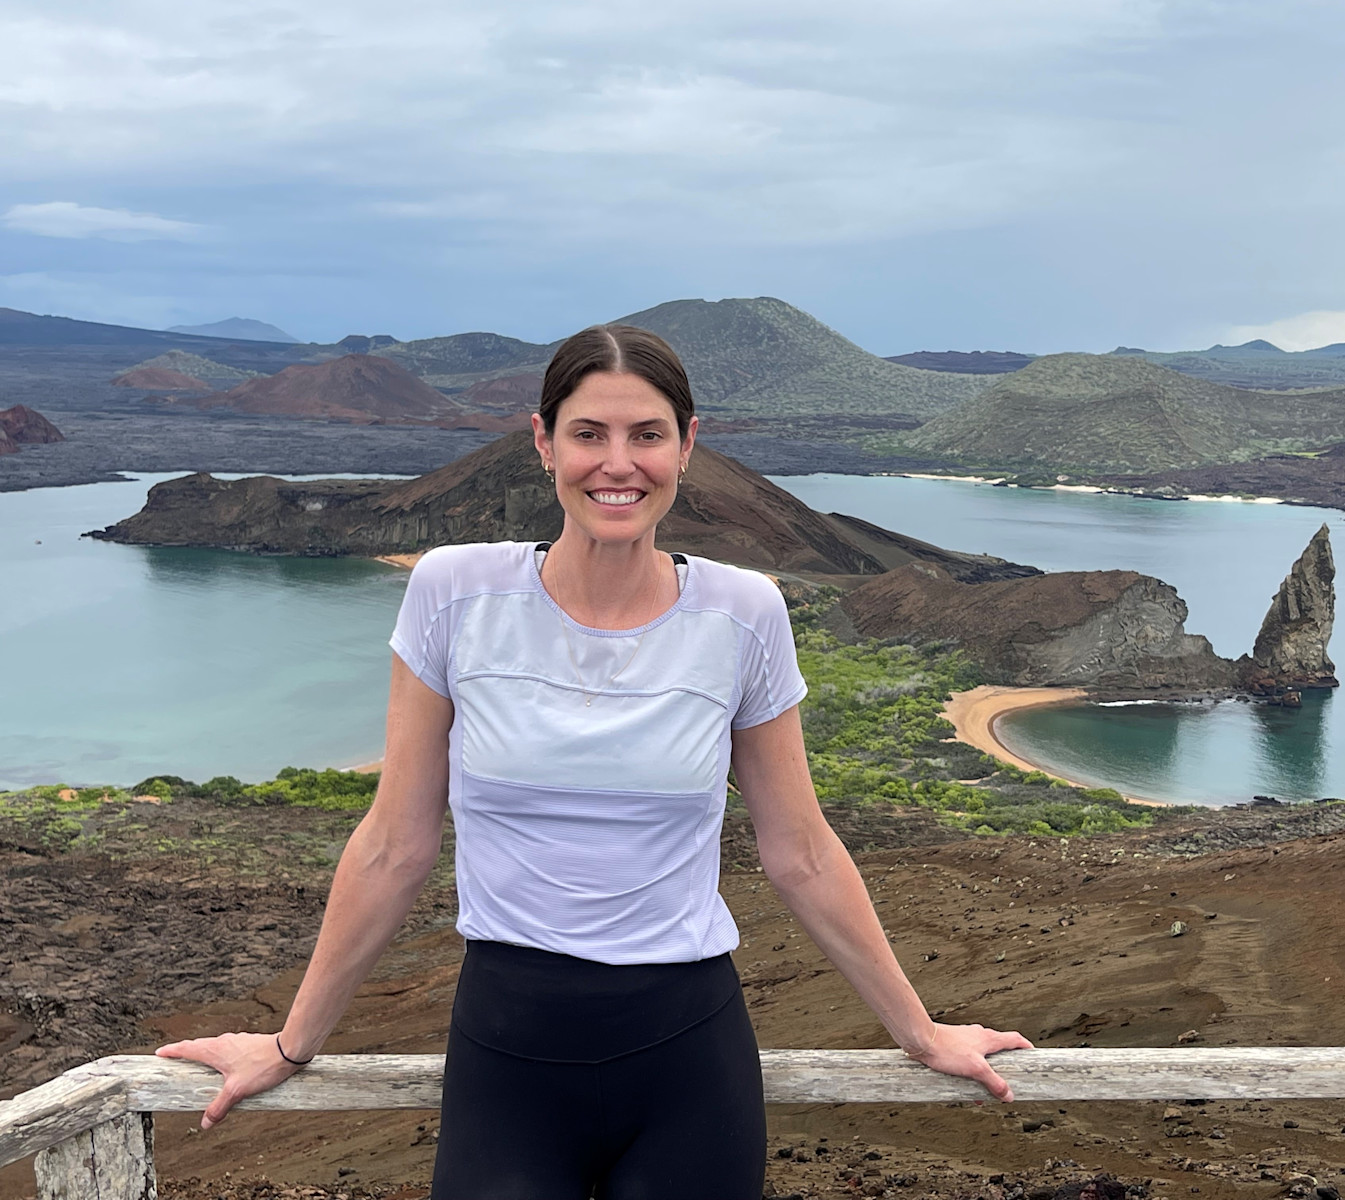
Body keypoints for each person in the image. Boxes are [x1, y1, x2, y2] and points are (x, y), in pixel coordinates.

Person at [157, 324, 1032, 1198]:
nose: (619, 464)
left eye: (647, 435)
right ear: (543, 443)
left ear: (687, 445)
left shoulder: (744, 612)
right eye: (589, 434)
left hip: (688, 1056)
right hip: (507, 1052)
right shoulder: (453, 593)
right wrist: (289, 1044)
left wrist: (921, 1035)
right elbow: (395, 843)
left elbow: (799, 849)